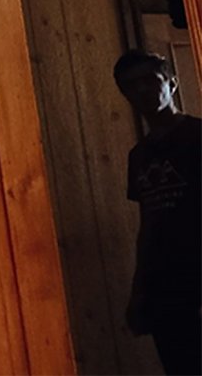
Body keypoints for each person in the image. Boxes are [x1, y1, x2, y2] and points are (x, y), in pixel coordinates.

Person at [113, 49, 200, 375]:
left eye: (150, 80)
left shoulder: (197, 136)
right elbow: (148, 223)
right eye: (131, 85)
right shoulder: (140, 156)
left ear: (171, 83)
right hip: (166, 284)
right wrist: (139, 290)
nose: (142, 90)